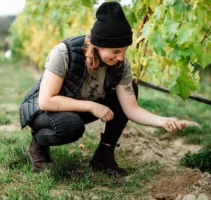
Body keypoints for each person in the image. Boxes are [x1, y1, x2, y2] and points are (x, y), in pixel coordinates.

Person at [19, 1, 186, 176]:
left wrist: (162, 121)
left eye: (124, 51)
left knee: (131, 92)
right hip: (42, 110)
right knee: (70, 126)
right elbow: (46, 101)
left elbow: (131, 109)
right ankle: (38, 145)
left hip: (73, 107)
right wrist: (92, 106)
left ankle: (103, 156)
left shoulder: (121, 65)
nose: (120, 57)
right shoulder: (64, 53)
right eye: (115, 51)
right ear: (98, 45)